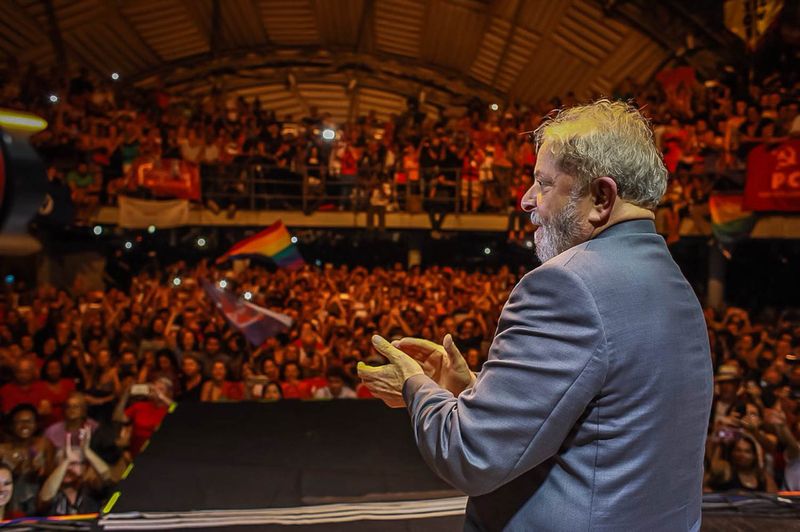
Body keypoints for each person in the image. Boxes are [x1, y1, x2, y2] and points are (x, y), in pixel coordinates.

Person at [359, 100, 714, 531]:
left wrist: (414, 386)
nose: (527, 200)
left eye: (544, 183)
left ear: (601, 197)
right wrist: (472, 391)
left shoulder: (565, 285)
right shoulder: (674, 283)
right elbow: (602, 422)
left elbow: (472, 454)